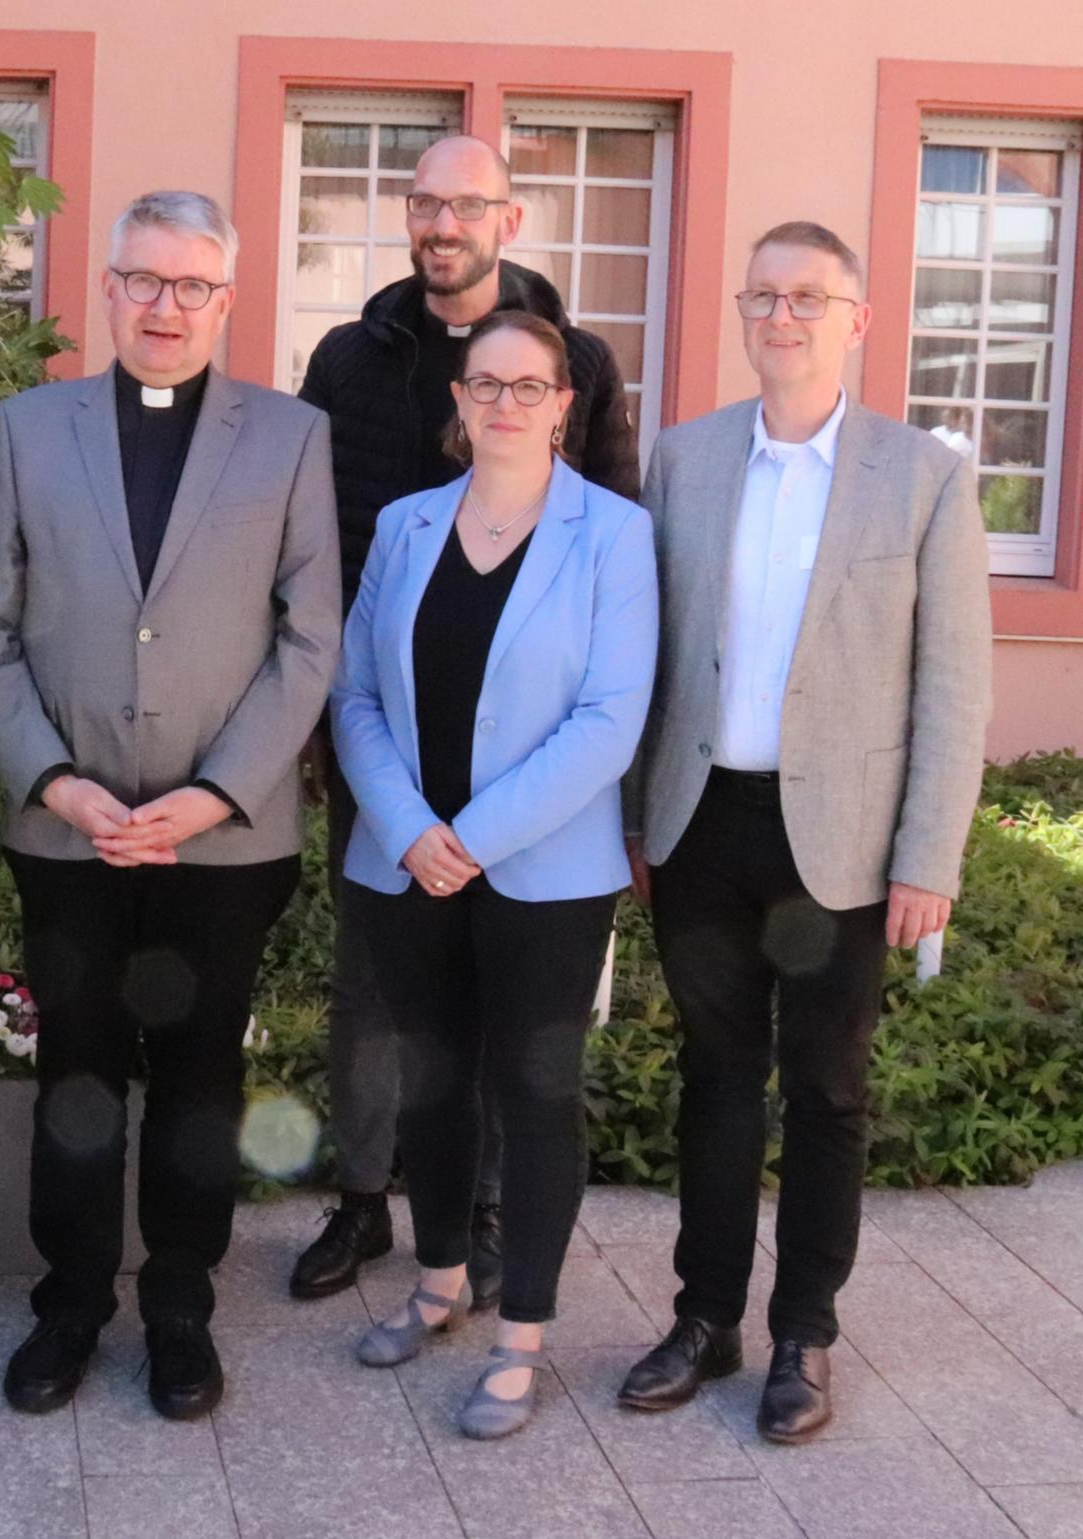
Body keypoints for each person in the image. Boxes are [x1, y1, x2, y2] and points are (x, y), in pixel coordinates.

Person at [0, 191, 341, 1421]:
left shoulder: (288, 438)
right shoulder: (29, 426)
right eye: (140, 280)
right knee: (74, 1068)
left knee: (194, 1078)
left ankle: (179, 1305)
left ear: (225, 300)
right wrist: (55, 780)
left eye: (189, 286)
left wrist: (212, 793)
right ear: (107, 287)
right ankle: (69, 1303)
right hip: (64, 831)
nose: (162, 306)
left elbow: (309, 639)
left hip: (222, 839)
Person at [617, 222, 992, 1443]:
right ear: (741, 312)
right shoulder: (683, 458)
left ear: (856, 318)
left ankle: (803, 1337)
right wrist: (633, 818)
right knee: (714, 1079)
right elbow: (649, 652)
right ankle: (703, 1315)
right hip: (702, 820)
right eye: (762, 297)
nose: (781, 318)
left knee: (826, 1090)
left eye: (807, 299)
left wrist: (927, 854)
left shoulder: (920, 475)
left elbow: (952, 682)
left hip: (838, 833)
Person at [289, 134, 641, 1306]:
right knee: (371, 992)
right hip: (376, 727)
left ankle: (483, 1219)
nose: (442, 224)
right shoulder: (348, 355)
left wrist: (510, 818)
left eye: (466, 205)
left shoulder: (572, 358)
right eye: (424, 203)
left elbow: (610, 557)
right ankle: (362, 1207)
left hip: (529, 774)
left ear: (509, 217)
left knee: (502, 1018)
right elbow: (307, 534)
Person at [333, 310, 656, 1438]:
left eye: (529, 386)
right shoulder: (404, 524)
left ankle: (521, 1333)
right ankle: (435, 1281)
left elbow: (609, 717)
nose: (505, 404)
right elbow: (354, 694)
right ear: (457, 402)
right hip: (403, 857)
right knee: (428, 1074)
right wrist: (410, 825)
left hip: (544, 874)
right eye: (485, 385)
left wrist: (470, 833)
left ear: (565, 402)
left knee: (532, 1094)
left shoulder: (613, 535)